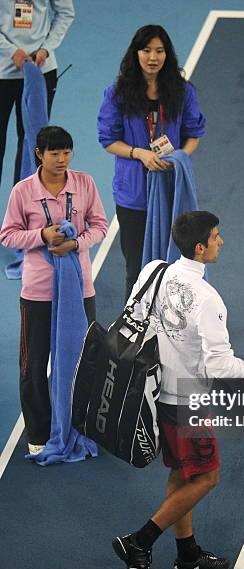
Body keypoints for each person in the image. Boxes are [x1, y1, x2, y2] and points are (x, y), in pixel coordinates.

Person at [112, 210, 244, 569]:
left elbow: (132, 315)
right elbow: (218, 366)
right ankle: (140, 541)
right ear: (200, 248)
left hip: (155, 394)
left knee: (183, 475)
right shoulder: (208, 298)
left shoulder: (154, 270)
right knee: (207, 477)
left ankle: (188, 558)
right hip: (188, 403)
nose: (221, 242)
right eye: (216, 236)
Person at [0, 126, 108, 454]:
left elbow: (100, 225)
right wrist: (41, 236)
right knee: (34, 364)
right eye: (54, 153)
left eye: (66, 152)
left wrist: (76, 243)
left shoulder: (85, 183)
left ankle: (80, 425)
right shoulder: (22, 191)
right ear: (39, 154)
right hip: (39, 293)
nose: (62, 159)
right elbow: (7, 235)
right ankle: (38, 432)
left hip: (79, 289)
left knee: (83, 361)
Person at [97, 24, 206, 301]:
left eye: (159, 51)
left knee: (176, 266)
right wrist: (140, 153)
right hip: (133, 195)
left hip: (172, 190)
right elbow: (108, 139)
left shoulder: (182, 92)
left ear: (167, 55)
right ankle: (134, 332)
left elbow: (193, 134)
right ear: (136, 54)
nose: (153, 57)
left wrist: (178, 158)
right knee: (136, 269)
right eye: (146, 50)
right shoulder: (117, 94)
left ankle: (173, 327)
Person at [0, 0, 75, 187]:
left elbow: (65, 12)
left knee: (32, 142)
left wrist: (46, 49)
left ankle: (24, 207)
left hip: (41, 69)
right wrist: (10, 51)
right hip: (2, 70)